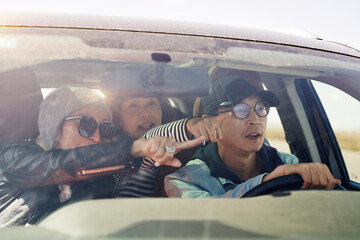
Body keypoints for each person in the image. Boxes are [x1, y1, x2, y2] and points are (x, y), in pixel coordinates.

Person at [0, 87, 203, 227]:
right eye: (86, 125)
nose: (97, 136)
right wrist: (132, 148)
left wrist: (190, 127)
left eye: (104, 128)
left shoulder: (102, 180)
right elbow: (58, 165)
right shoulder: (16, 157)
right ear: (57, 131)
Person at [164, 76, 341, 198]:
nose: (255, 120)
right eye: (240, 110)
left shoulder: (288, 163)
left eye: (261, 108)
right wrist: (268, 181)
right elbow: (207, 219)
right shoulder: (185, 181)